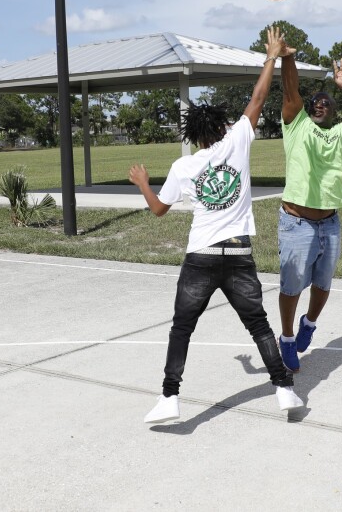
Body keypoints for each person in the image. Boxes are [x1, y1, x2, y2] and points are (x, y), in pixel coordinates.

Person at [129, 26, 305, 424]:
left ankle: (169, 398)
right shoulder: (237, 141)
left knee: (182, 328)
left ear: (194, 136)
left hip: (201, 256)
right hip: (238, 252)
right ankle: (284, 390)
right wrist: (272, 56)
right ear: (222, 127)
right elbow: (258, 97)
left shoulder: (183, 166)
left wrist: (142, 184)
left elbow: (158, 210)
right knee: (258, 325)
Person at [275, 52, 342, 372]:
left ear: (334, 110)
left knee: (323, 282)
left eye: (325, 102)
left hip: (329, 223)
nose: (319, 105)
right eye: (314, 103)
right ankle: (287, 338)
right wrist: (287, 59)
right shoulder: (297, 126)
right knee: (292, 286)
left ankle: (309, 323)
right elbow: (290, 91)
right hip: (296, 223)